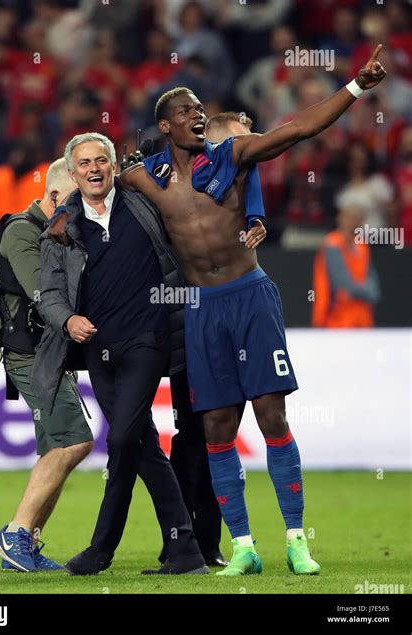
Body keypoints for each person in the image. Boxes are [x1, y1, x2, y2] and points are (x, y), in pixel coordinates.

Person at [103, 46, 385, 576]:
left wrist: (355, 88)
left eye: (200, 110)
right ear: (165, 124)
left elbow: (298, 129)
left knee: (272, 415)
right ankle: (244, 547)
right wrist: (51, 217)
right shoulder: (145, 177)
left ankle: (298, 541)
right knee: (215, 426)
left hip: (250, 296)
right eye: (186, 111)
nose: (198, 116)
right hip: (201, 308)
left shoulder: (230, 156)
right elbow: (94, 183)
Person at [32, 132, 208, 576]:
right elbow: (48, 295)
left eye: (101, 162)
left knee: (124, 439)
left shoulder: (141, 202)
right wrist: (67, 320)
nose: (94, 170)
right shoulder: (61, 230)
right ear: (72, 175)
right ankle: (185, 548)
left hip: (148, 339)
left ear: (114, 167)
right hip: (97, 350)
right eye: (85, 164)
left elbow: (165, 164)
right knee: (142, 443)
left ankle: (101, 548)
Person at [165, 111, 261, 569]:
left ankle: (209, 542)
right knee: (192, 437)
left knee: (214, 436)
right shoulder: (161, 177)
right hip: (182, 327)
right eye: (239, 141)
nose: (246, 150)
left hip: (217, 320)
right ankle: (183, 542)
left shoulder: (238, 183)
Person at [0, 158, 94, 572]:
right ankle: (15, 533)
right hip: (30, 355)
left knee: (55, 445)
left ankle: (25, 545)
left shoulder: (56, 232)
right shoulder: (20, 231)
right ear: (54, 196)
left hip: (48, 353)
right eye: (75, 199)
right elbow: (44, 294)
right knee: (74, 441)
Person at [312, 200, 380, 328]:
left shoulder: (362, 245)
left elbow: (372, 279)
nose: (354, 221)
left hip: (362, 318)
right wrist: (367, 292)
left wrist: (370, 292)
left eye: (358, 218)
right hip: (336, 319)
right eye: (350, 217)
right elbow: (342, 283)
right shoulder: (332, 244)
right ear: (340, 218)